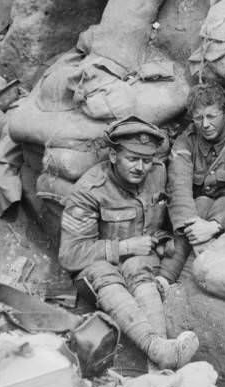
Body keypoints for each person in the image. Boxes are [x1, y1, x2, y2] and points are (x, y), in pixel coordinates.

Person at [59, 115, 199, 370]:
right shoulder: (90, 189)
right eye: (132, 159)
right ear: (113, 156)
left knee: (137, 266)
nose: (140, 167)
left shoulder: (158, 173)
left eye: (146, 160)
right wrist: (124, 247)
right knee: (105, 272)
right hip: (99, 272)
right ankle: (156, 348)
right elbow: (70, 255)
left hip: (142, 265)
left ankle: (160, 360)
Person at [160, 82, 225, 285]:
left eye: (211, 116)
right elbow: (178, 186)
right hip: (194, 217)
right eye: (198, 118)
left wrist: (215, 226)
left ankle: (176, 281)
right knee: (199, 202)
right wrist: (195, 227)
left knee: (220, 201)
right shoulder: (187, 140)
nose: (205, 124)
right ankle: (164, 280)